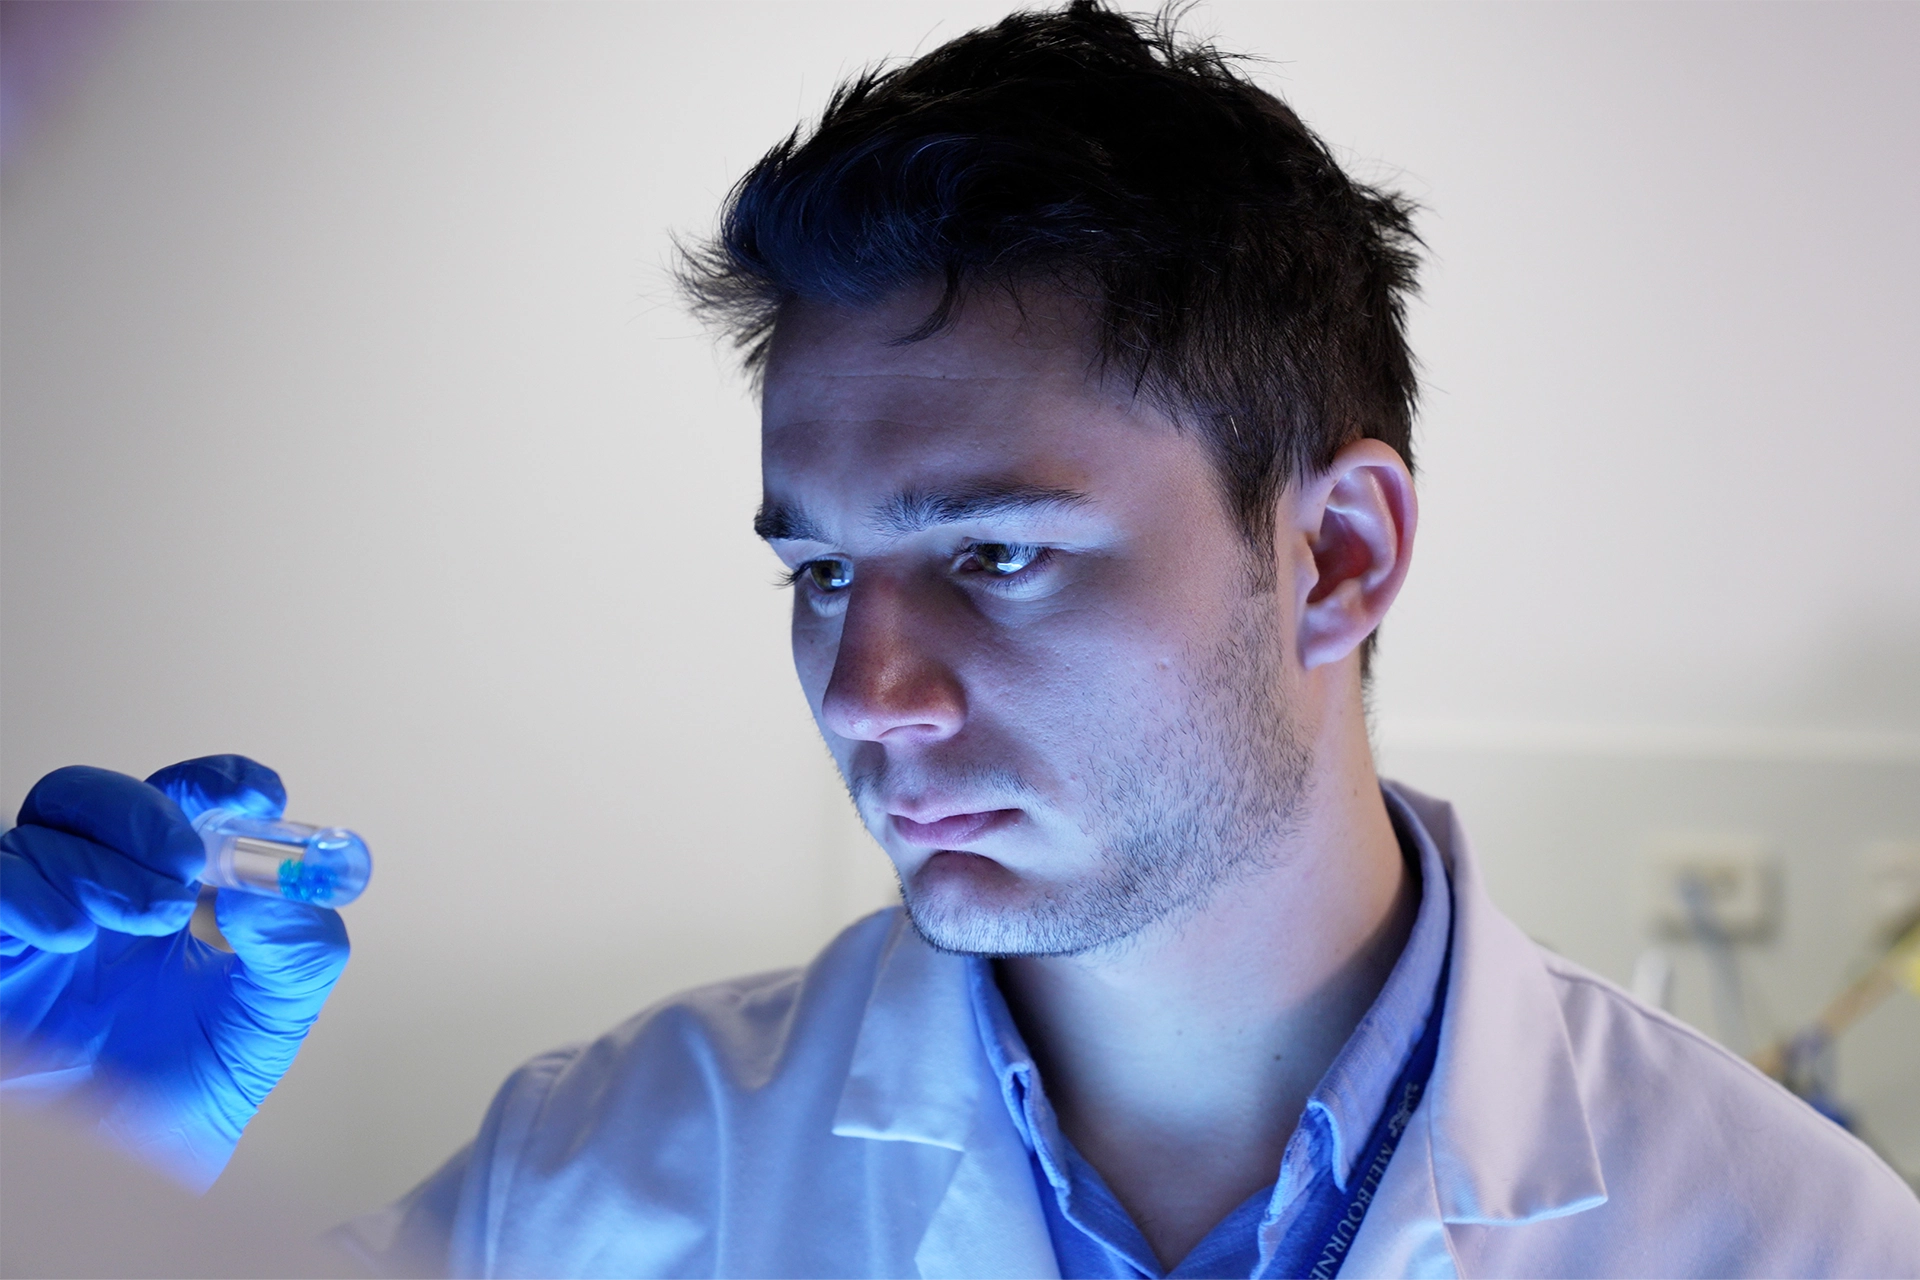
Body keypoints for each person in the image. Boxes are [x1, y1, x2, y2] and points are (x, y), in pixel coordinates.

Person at [2, 3, 1917, 1276]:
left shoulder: (1783, 1240)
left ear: (1339, 554)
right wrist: (65, 1176)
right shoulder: (605, 1195)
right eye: (817, 572)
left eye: (994, 554)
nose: (863, 694)